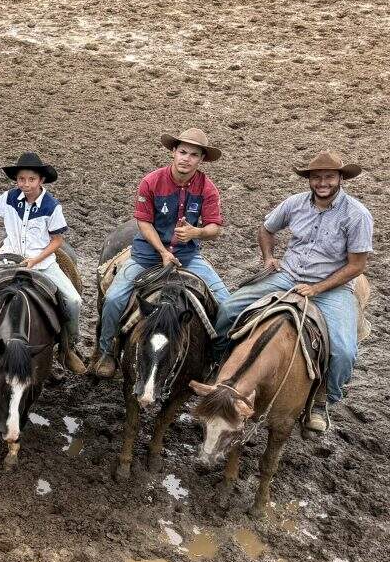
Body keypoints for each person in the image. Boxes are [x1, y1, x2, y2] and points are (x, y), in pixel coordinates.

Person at [213, 151, 373, 434]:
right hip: (287, 275)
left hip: (331, 288)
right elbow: (266, 229)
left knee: (344, 351)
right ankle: (217, 365)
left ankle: (324, 399)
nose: (322, 182)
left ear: (340, 178)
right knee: (228, 309)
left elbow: (357, 265)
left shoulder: (356, 214)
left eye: (329, 177)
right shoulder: (294, 203)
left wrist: (317, 288)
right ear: (309, 179)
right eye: (316, 177)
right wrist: (268, 258)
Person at [92, 128, 231, 379]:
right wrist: (162, 251)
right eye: (183, 152)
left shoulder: (207, 188)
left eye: (194, 155)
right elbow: (144, 222)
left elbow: (215, 228)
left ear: (201, 159)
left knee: (226, 304)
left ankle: (215, 359)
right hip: (146, 256)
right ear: (173, 152)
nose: (186, 158)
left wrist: (196, 232)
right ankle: (106, 351)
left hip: (187, 257)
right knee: (113, 299)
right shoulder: (151, 181)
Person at [0, 153, 86, 373]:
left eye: (31, 179)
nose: (25, 184)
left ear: (41, 180)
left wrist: (35, 259)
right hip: (7, 258)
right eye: (21, 179)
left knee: (74, 300)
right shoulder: (10, 197)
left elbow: (57, 240)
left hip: (42, 263)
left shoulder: (52, 206)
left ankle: (68, 347)